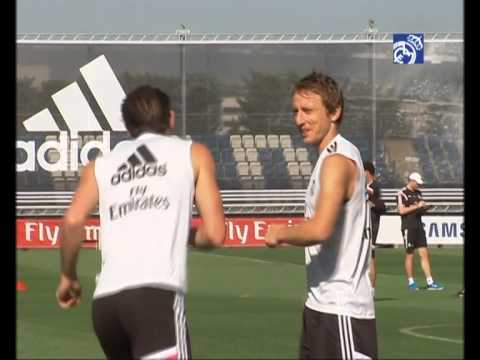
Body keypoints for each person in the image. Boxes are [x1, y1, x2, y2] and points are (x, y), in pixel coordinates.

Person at [56, 85, 226, 359]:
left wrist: (68, 275)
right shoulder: (193, 153)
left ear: (127, 125)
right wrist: (185, 234)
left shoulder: (100, 164)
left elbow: (73, 220)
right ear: (171, 118)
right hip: (156, 297)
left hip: (106, 305)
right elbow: (215, 234)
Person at [265, 72, 377, 359]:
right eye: (295, 111)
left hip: (340, 312)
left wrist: (280, 232)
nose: (299, 120)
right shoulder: (332, 157)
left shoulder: (337, 161)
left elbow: (320, 229)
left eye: (308, 110)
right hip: (321, 307)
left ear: (335, 110)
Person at [397, 172, 444, 291]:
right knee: (410, 254)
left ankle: (430, 282)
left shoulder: (418, 193)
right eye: (417, 183)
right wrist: (417, 207)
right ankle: (411, 282)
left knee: (424, 254)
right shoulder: (402, 193)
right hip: (408, 227)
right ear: (411, 181)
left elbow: (418, 209)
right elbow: (401, 211)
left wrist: (425, 208)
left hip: (419, 227)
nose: (419, 185)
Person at [364, 161, 386, 291]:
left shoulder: (374, 186)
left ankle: (371, 289)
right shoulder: (367, 186)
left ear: (367, 172)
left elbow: (377, 202)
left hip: (371, 226)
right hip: (364, 225)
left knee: (370, 257)